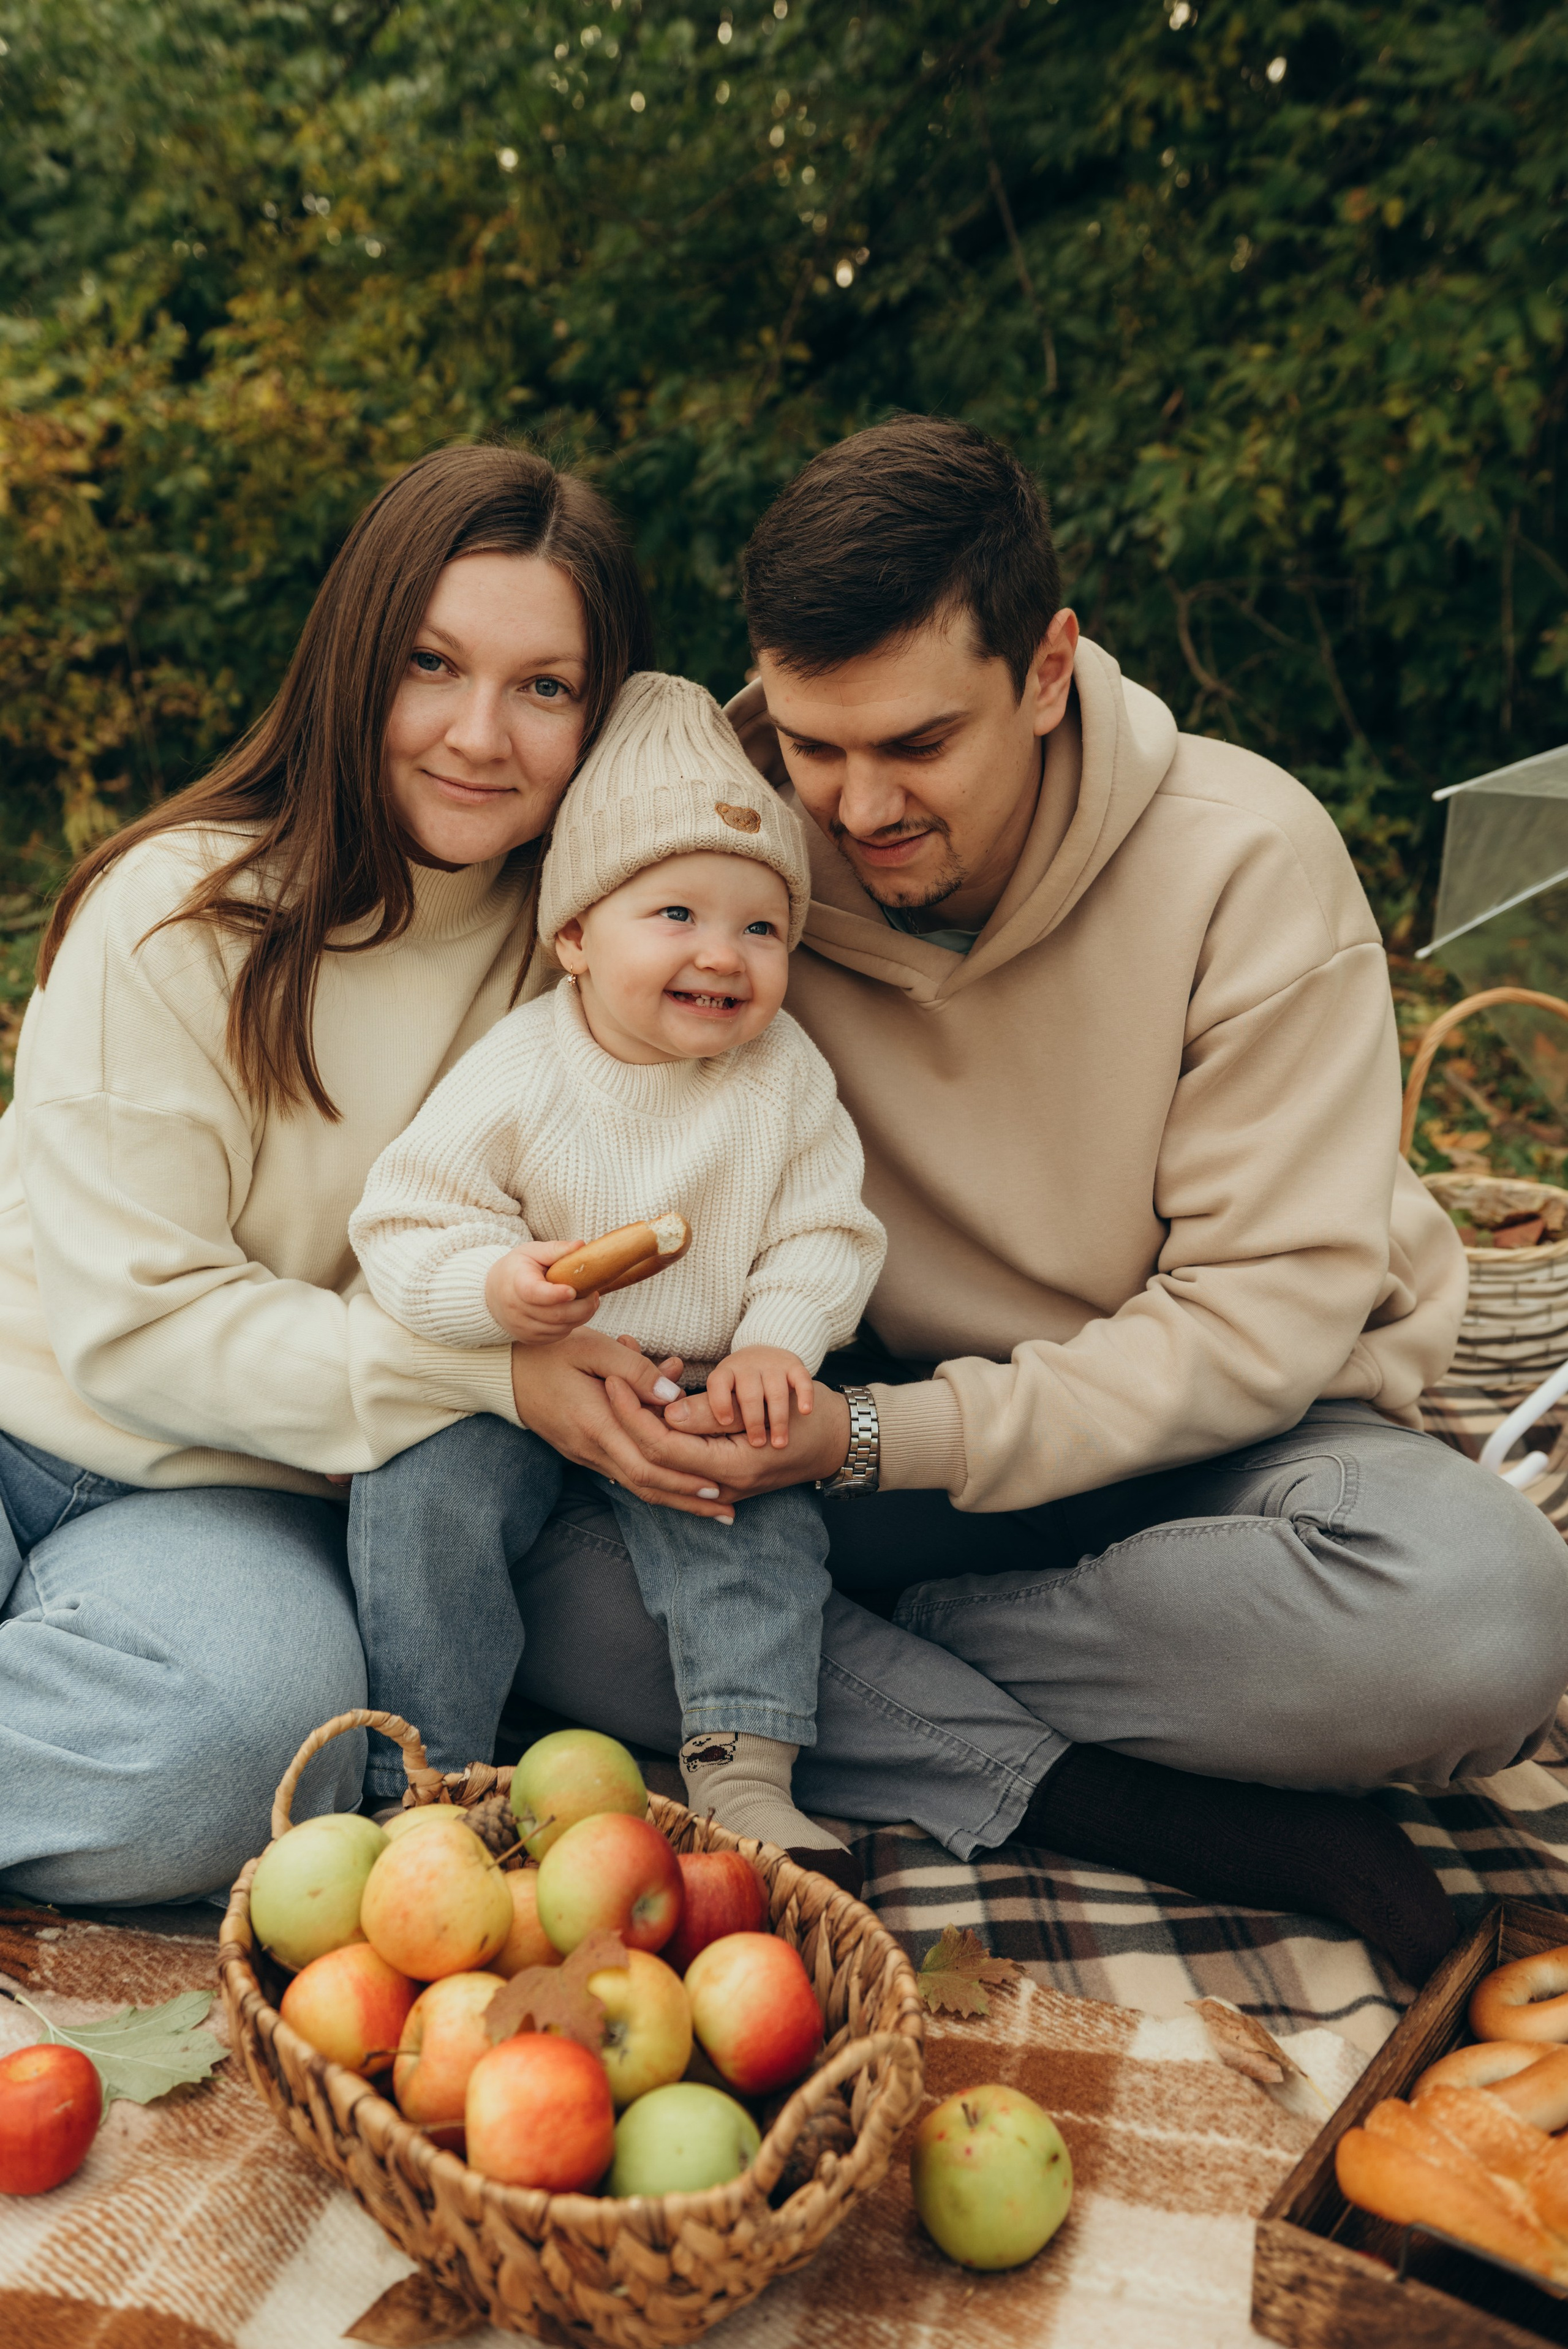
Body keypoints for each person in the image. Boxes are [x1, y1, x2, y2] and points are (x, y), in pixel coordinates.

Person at [479, 416, 1568, 1984]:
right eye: (812, 745)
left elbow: (1252, 1330)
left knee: (1480, 1617)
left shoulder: (1242, 859)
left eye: (916, 746)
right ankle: (1128, 1793)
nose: (851, 811)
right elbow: (551, 1101)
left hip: (1219, 1455)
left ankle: (858, 1687)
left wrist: (868, 1449)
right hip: (855, 1441)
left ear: (1047, 669)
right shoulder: (710, 857)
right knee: (558, 1587)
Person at [0, 443, 707, 1904]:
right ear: (351, 661)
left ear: (603, 713)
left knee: (252, 1748)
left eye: (545, 687)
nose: (476, 734)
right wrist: (490, 1376)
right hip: (19, 1403)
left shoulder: (594, 966)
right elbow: (135, 1327)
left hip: (223, 1496)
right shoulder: (178, 914)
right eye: (429, 664)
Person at [348, 671, 883, 1887]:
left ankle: (745, 1770)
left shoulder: (784, 1076)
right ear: (577, 937)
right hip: (525, 1380)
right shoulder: (525, 1065)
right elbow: (406, 1220)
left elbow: (826, 1233)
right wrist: (495, 1290)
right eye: (677, 915)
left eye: (761, 927)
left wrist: (775, 1347)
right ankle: (428, 1781)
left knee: (754, 1518)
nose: (722, 954)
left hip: (697, 1378)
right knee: (420, 1491)